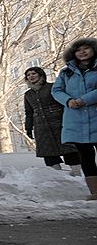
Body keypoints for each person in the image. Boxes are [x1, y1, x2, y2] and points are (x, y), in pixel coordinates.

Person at [52, 38, 97, 200]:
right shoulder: (66, 72)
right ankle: (95, 191)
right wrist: (68, 100)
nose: (82, 52)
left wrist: (84, 100)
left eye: (86, 49)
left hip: (94, 115)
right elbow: (56, 90)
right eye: (79, 50)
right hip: (76, 119)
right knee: (86, 156)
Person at [24, 67, 81, 175]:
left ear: (40, 75)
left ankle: (77, 173)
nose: (31, 76)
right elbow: (28, 112)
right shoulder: (28, 94)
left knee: (69, 149)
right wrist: (28, 127)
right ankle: (57, 177)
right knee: (48, 153)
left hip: (59, 123)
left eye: (33, 73)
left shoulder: (53, 87)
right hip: (41, 128)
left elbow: (64, 104)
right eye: (28, 75)